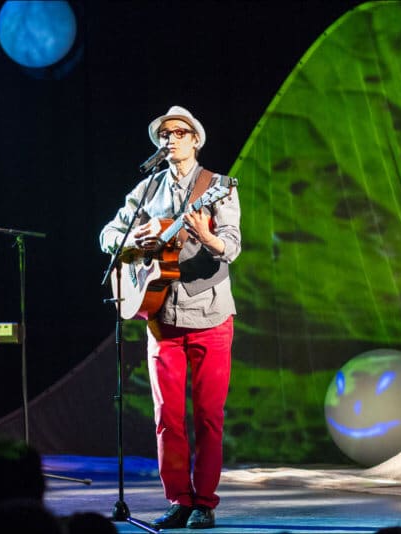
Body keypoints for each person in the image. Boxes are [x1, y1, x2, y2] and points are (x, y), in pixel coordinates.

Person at [99, 106, 241, 529]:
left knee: (209, 417)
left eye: (179, 132)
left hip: (210, 315)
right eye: (165, 134)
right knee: (167, 418)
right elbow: (107, 234)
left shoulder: (218, 187)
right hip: (161, 315)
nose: (171, 139)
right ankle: (179, 498)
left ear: (195, 140)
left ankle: (205, 501)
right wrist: (134, 239)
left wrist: (207, 236)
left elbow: (231, 246)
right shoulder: (147, 190)